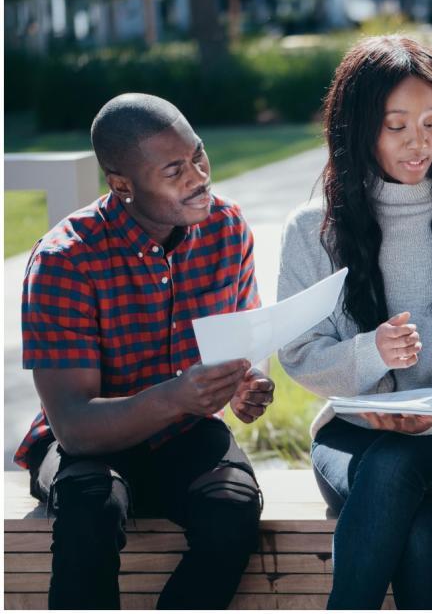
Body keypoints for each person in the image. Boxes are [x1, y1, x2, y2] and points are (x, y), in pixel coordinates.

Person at [277, 35, 432, 609]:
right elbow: (301, 355)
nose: (419, 144)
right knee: (415, 522)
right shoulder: (311, 228)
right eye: (397, 127)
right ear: (358, 127)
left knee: (397, 466)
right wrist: (371, 354)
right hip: (350, 438)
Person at [15, 93, 276, 609]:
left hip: (182, 434)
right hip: (91, 443)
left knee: (234, 508)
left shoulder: (226, 227)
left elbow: (250, 334)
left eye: (199, 154)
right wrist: (177, 396)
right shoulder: (64, 261)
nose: (199, 175)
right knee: (91, 505)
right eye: (175, 169)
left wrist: (250, 381)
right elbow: (72, 425)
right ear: (122, 186)